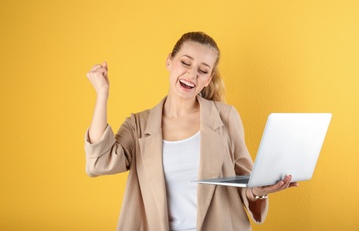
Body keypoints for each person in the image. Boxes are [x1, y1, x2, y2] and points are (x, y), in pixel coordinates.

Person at [85, 31, 298, 231]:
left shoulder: (226, 117)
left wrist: (257, 192)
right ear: (169, 61)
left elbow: (244, 181)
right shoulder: (139, 125)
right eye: (185, 62)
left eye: (203, 70)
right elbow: (100, 162)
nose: (192, 74)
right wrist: (102, 94)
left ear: (208, 78)